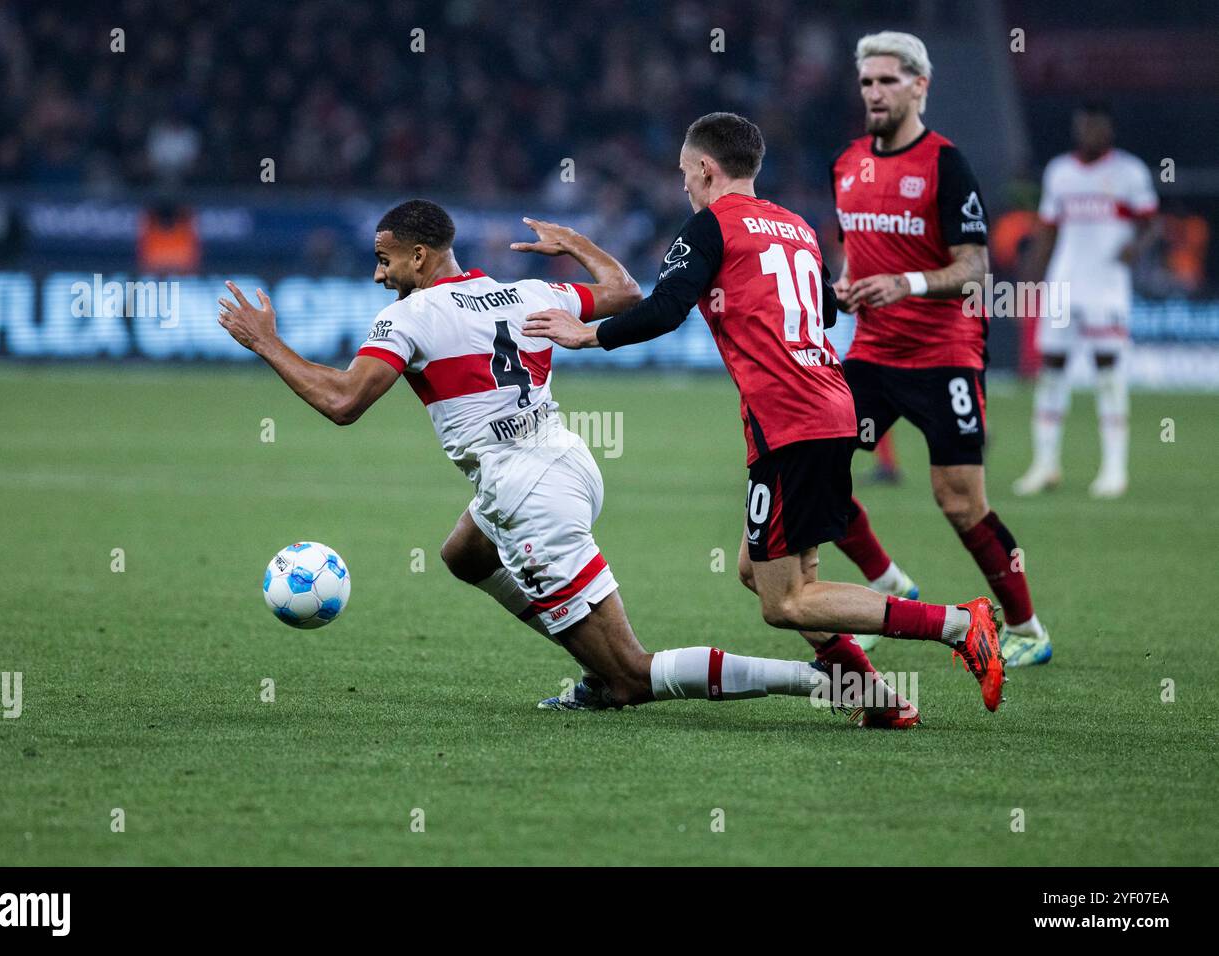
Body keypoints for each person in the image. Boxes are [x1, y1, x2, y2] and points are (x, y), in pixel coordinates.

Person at [217, 199, 891, 722]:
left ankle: (823, 680)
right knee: (464, 554)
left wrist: (266, 344)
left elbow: (342, 402)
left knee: (630, 676)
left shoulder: (410, 317)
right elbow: (628, 292)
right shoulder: (530, 291)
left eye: (385, 260)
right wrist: (577, 246)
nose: (377, 274)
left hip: (524, 491)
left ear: (421, 258)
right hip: (567, 460)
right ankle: (588, 649)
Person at [524, 113, 1005, 718]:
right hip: (826, 405)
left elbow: (666, 308)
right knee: (760, 571)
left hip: (790, 418)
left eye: (684, 174)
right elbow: (826, 312)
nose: (684, 187)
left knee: (787, 602)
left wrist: (586, 335)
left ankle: (960, 625)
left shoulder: (710, 226)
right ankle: (878, 699)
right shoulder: (795, 225)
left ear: (705, 167)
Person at [827, 32, 1050, 667]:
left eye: (888, 81)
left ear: (920, 86)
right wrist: (849, 284)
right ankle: (887, 585)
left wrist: (910, 283)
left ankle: (1028, 628)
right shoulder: (846, 163)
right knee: (815, 474)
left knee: (958, 500)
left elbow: (975, 268)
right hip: (872, 353)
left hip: (944, 355)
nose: (875, 92)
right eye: (867, 81)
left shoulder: (945, 164)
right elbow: (856, 250)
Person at [1014, 102, 1158, 501]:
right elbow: (1047, 232)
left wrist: (1137, 247)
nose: (1091, 132)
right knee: (1052, 370)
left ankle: (1114, 468)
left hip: (1106, 285)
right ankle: (1045, 464)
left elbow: (1151, 223)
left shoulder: (1129, 172)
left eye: (1098, 125)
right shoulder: (1060, 172)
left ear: (1108, 129)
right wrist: (1029, 282)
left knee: (1108, 371)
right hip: (1064, 282)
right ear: (1077, 128)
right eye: (1085, 125)